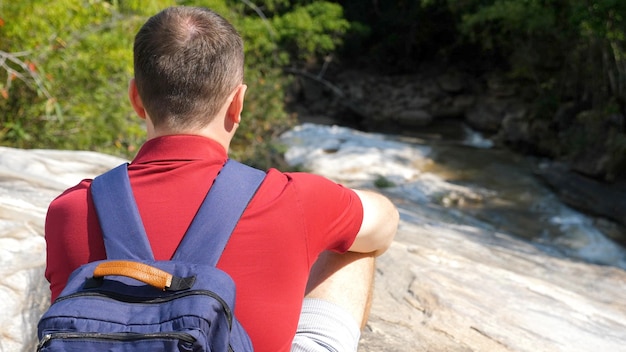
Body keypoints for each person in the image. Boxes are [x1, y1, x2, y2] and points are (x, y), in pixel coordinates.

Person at [44, 6, 398, 352]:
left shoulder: (70, 209)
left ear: (136, 98)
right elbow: (384, 225)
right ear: (237, 103)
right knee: (354, 246)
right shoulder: (294, 197)